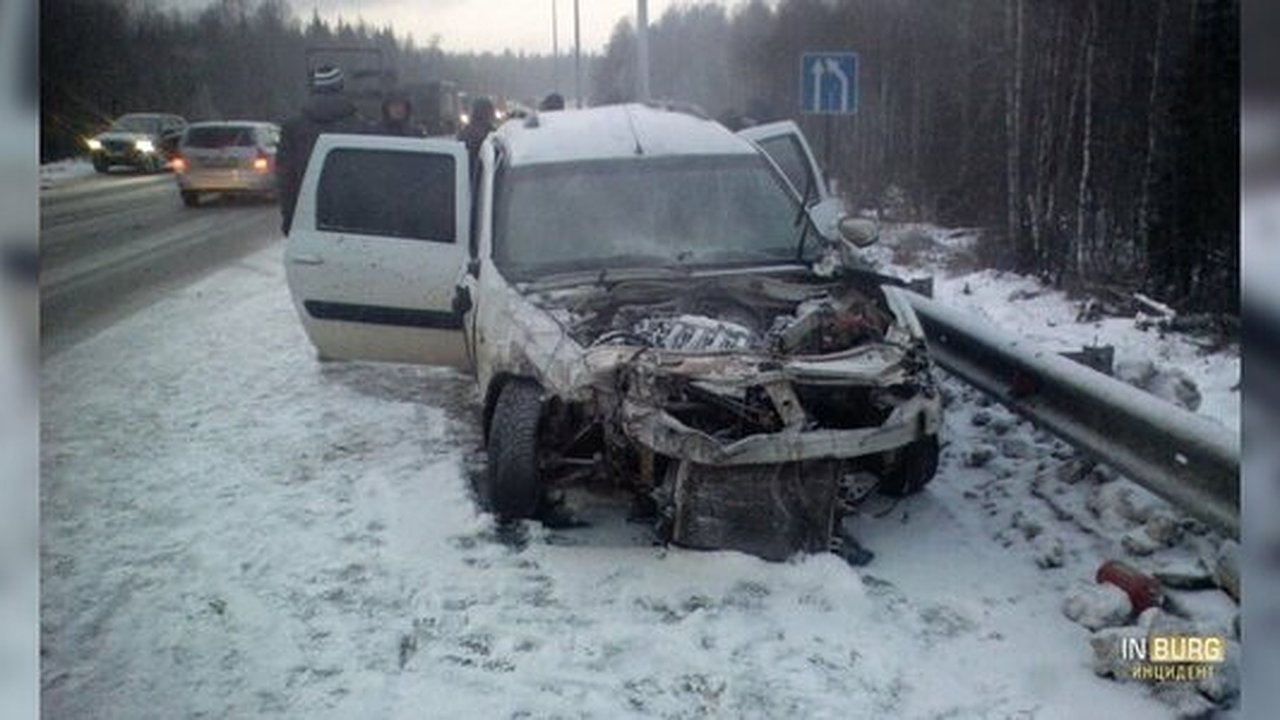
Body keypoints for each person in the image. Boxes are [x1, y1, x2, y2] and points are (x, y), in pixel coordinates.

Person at [276, 65, 362, 235]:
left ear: (314, 88)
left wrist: (289, 217)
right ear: (341, 87)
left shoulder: (293, 128)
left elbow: (286, 179)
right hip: (354, 217)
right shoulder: (360, 126)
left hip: (308, 217)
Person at [456, 96, 496, 178]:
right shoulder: (492, 135)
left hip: (464, 176)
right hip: (485, 179)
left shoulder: (465, 133)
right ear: (488, 113)